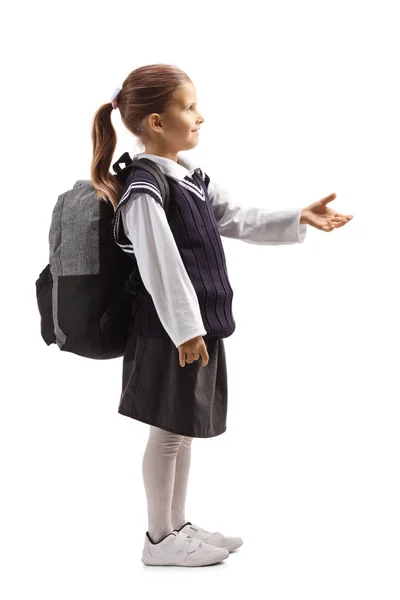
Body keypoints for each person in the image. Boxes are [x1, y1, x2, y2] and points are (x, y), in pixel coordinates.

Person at [90, 63, 353, 567]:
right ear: (155, 123)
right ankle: (159, 539)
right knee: (167, 432)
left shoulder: (188, 178)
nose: (199, 116)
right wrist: (186, 330)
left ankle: (176, 527)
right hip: (169, 330)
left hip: (193, 329)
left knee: (181, 429)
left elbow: (234, 216)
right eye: (188, 107)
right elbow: (159, 264)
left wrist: (298, 215)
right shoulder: (143, 187)